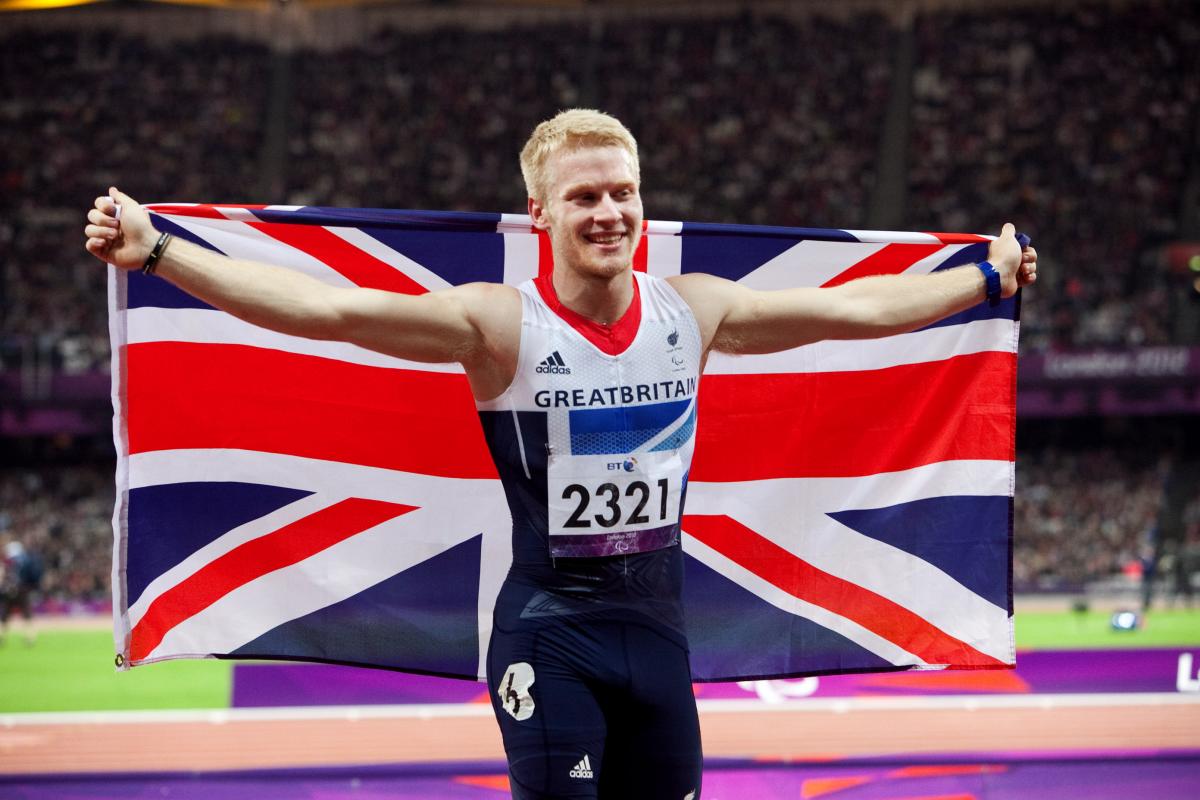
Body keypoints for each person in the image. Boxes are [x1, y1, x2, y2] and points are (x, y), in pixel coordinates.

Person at [85, 109, 1037, 800]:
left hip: (659, 635)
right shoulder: (498, 326)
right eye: (584, 197)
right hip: (549, 633)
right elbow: (325, 310)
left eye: (623, 193)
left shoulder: (694, 309)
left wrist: (983, 279)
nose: (609, 213)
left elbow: (857, 311)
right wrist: (160, 253)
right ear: (540, 213)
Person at [1, 540, 44, 646]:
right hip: (22, 590)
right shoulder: (26, 560)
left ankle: (2, 638)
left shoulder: (7, 562)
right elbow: (33, 576)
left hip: (9, 591)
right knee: (27, 615)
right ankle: (30, 638)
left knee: (5, 616)